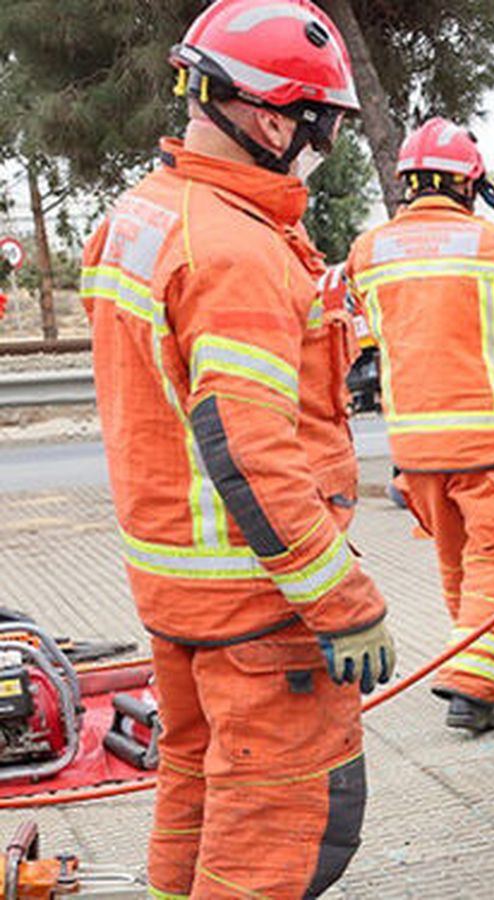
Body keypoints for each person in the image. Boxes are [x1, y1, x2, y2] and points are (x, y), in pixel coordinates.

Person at [78, 1, 393, 895]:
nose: (322, 144)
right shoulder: (238, 250)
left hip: (179, 594)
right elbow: (250, 448)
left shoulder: (141, 217)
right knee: (280, 835)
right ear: (269, 116)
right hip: (264, 610)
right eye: (321, 125)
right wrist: (343, 600)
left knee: (195, 800)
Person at [344, 117, 494, 733]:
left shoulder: (368, 251)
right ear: (472, 186)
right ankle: (473, 685)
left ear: (407, 184)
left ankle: (493, 647)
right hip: (490, 436)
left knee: (460, 557)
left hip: (414, 442)